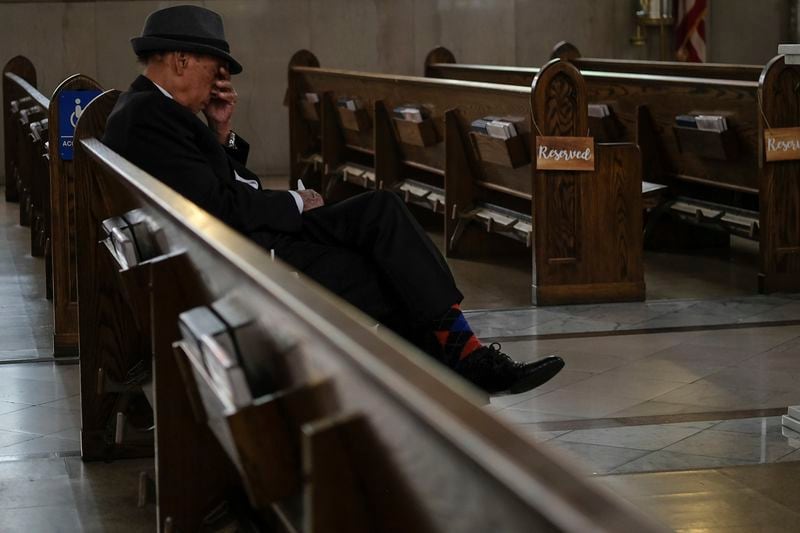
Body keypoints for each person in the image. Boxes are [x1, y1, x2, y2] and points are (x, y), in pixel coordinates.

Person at [103, 5, 564, 395]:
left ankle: (458, 362)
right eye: (214, 66)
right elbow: (218, 207)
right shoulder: (149, 116)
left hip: (233, 243)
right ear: (181, 60)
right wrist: (294, 204)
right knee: (379, 275)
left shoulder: (154, 110)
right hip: (237, 256)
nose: (220, 78)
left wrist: (221, 134)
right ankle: (461, 363)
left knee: (381, 211)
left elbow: (221, 189)